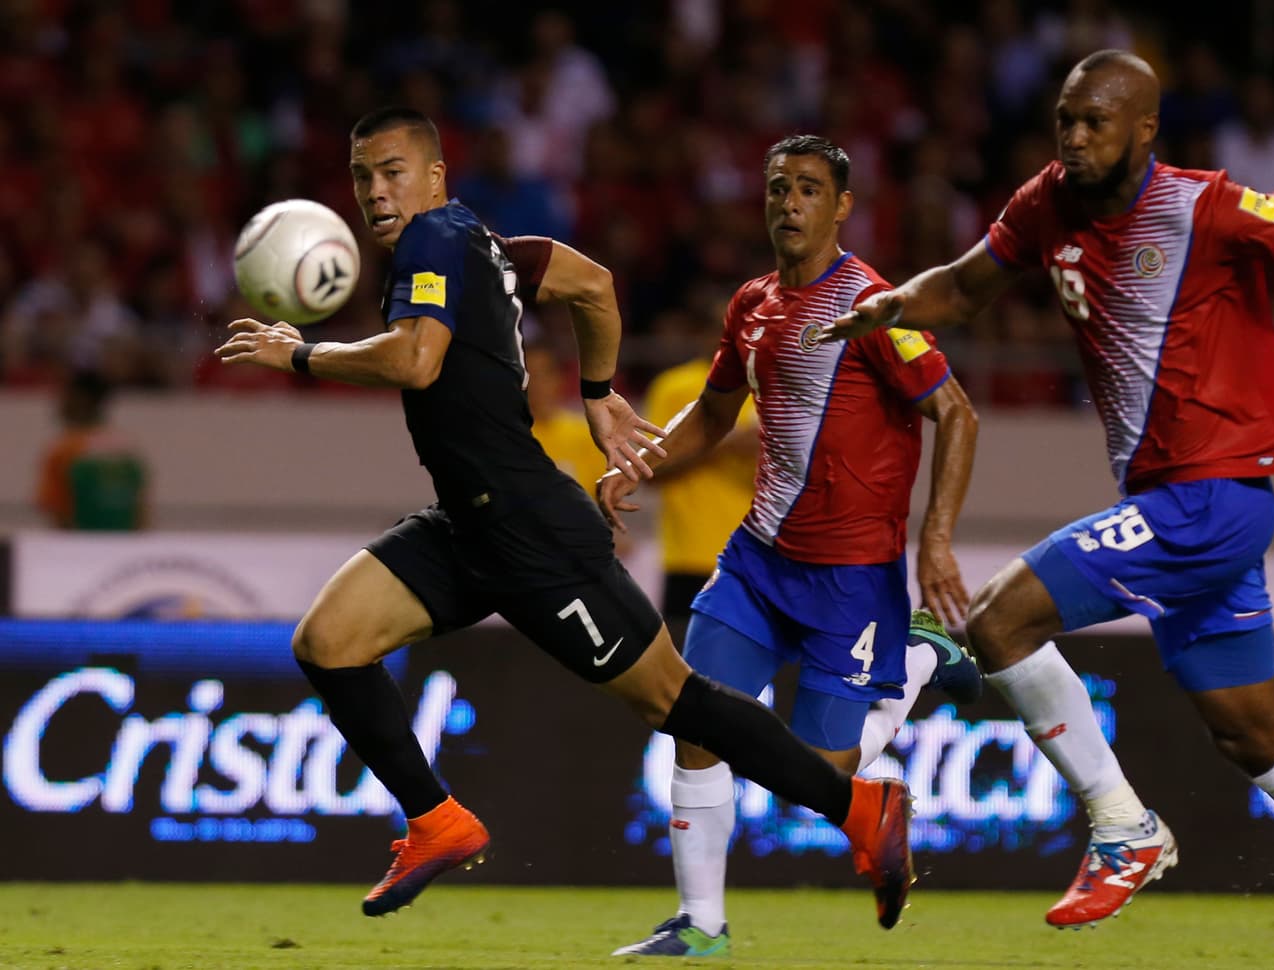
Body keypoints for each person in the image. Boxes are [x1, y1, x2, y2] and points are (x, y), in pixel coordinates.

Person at [214, 106, 914, 928]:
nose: (374, 190)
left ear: (436, 177)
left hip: (531, 528)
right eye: (362, 175)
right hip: (466, 526)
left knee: (672, 703)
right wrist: (597, 392)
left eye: (392, 170)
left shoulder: (434, 240)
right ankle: (437, 822)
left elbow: (415, 357)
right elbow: (593, 285)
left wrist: (297, 351)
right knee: (328, 642)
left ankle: (859, 810)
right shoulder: (484, 243)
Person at [824, 49, 1274, 928]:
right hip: (1174, 499)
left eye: (1094, 122)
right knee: (1251, 736)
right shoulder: (1046, 203)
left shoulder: (1207, 206)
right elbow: (963, 288)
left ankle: (1124, 829)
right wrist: (889, 306)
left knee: (997, 620)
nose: (1072, 136)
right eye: (1065, 118)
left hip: (1210, 497)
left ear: (1144, 129)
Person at [600, 135, 981, 957]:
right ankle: (700, 925)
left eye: (809, 189)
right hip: (757, 561)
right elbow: (710, 415)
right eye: (778, 188)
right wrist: (638, 464)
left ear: (842, 206)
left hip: (852, 580)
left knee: (821, 774)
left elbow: (958, 414)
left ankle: (917, 660)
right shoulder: (752, 305)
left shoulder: (877, 307)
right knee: (693, 720)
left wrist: (937, 544)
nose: (790, 203)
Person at [643, 302, 757, 624]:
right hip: (690, 557)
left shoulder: (769, 388)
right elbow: (650, 470)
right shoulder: (676, 386)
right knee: (683, 666)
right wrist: (724, 445)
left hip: (757, 558)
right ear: (706, 335)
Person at [35, 370, 148, 530]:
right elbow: (141, 514)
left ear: (82, 399)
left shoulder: (64, 450)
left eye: (64, 395)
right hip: (125, 547)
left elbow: (58, 514)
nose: (59, 402)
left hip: (80, 547)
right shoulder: (126, 448)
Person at [524, 340, 604, 497]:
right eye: (529, 375)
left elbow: (602, 493)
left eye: (544, 374)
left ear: (559, 378)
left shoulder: (586, 433)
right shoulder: (508, 436)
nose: (537, 384)